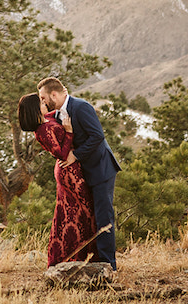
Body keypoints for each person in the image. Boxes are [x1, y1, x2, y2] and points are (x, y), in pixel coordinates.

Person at [37, 76, 121, 269]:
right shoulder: (56, 113)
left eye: (43, 98)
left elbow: (97, 136)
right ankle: (93, 258)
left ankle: (109, 264)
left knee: (103, 217)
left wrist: (76, 155)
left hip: (100, 170)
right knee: (90, 216)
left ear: (54, 94)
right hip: (83, 174)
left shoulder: (81, 107)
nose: (42, 102)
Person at [17, 92, 96, 266]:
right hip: (68, 171)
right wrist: (69, 132)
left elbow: (62, 109)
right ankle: (71, 258)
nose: (44, 102)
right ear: (35, 108)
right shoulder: (42, 130)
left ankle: (85, 256)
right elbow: (60, 154)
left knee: (77, 212)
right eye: (41, 101)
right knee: (77, 213)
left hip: (73, 169)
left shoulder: (47, 119)